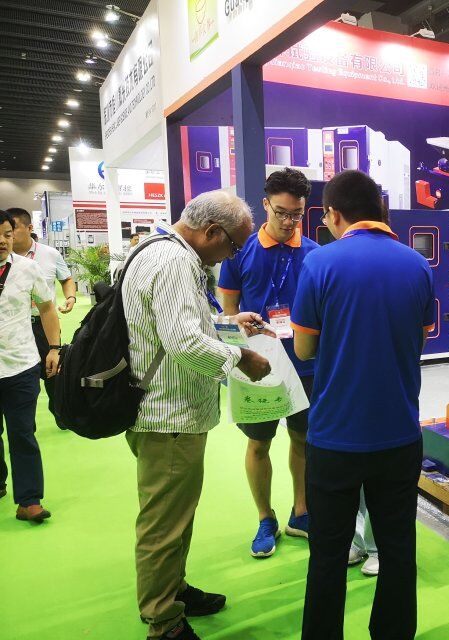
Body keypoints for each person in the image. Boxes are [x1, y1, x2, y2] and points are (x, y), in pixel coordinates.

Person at [122, 190, 272, 640]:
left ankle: (173, 589)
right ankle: (163, 620)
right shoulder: (173, 262)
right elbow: (184, 343)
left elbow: (179, 326)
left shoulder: (161, 250)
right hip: (168, 415)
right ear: (212, 232)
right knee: (164, 523)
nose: (231, 256)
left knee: (176, 514)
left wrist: (226, 324)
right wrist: (241, 357)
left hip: (168, 411)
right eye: (233, 246)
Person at [292, 170, 435, 640]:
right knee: (398, 548)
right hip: (399, 434)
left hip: (335, 436)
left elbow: (305, 350)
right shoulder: (417, 265)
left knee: (327, 554)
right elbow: (416, 342)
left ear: (334, 214)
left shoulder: (320, 263)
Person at [218, 169, 320, 557]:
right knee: (259, 443)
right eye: (281, 212)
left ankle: (301, 512)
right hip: (256, 364)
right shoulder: (240, 251)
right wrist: (238, 358)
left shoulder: (314, 254)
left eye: (296, 214)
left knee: (303, 440)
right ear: (265, 205)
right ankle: (265, 518)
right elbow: (228, 312)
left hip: (304, 365)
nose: (289, 221)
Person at [0, 209, 60, 522]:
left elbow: (47, 308)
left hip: (21, 365)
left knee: (23, 432)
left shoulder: (27, 268)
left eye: (7, 235)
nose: (3, 241)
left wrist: (54, 348)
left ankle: (29, 500)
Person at [9, 208, 77, 428]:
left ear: (29, 228)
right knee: (18, 375)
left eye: (13, 228)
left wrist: (71, 297)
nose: (8, 234)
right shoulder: (4, 259)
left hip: (44, 324)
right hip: (13, 326)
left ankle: (60, 413)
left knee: (53, 371)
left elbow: (66, 279)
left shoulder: (50, 254)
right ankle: (25, 423)